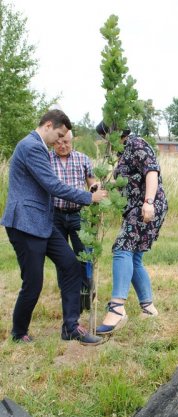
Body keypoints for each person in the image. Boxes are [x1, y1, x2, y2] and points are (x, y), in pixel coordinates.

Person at [0, 110, 107, 345]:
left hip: (42, 223)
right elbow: (52, 185)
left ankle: (70, 327)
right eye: (58, 134)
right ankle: (19, 333)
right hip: (26, 224)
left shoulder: (37, 146)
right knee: (33, 283)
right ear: (48, 125)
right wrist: (90, 198)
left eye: (63, 137)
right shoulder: (32, 146)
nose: (59, 141)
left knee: (70, 265)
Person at [94, 122, 168, 336]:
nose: (104, 141)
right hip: (134, 209)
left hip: (146, 207)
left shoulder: (137, 144)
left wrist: (149, 201)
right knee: (134, 257)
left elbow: (151, 172)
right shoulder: (122, 152)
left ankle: (117, 310)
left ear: (116, 134)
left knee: (121, 249)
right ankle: (148, 308)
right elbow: (123, 183)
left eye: (104, 136)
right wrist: (100, 189)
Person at [49, 130, 96, 311]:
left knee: (84, 255)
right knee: (61, 258)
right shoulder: (46, 159)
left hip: (78, 215)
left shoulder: (82, 159)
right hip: (56, 215)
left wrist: (95, 188)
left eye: (66, 142)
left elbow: (91, 182)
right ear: (53, 142)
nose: (62, 146)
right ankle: (68, 295)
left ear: (72, 140)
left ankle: (86, 295)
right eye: (58, 143)